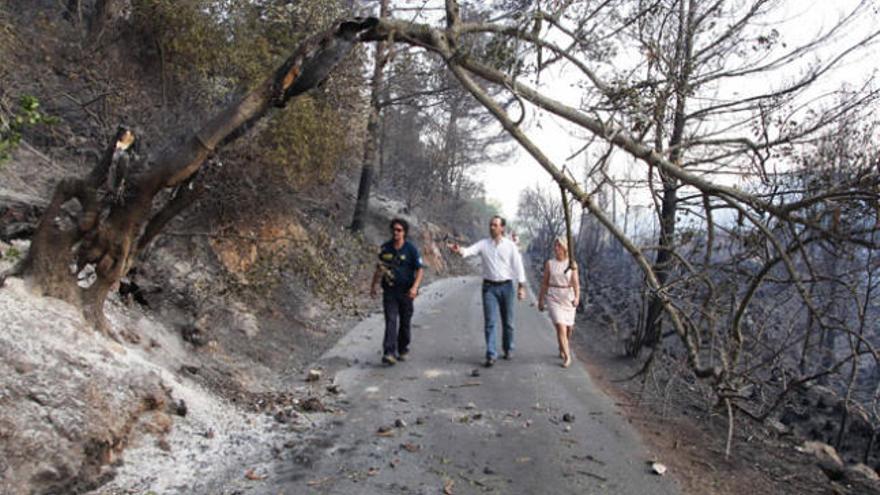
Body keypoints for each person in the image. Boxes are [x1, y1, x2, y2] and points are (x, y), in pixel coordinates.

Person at [449, 216, 526, 367]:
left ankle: (508, 348)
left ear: (502, 228)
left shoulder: (510, 246)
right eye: (491, 225)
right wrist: (459, 250)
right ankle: (491, 353)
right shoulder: (484, 244)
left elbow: (518, 266)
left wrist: (521, 286)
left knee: (508, 322)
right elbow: (469, 251)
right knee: (490, 322)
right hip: (489, 288)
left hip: (506, 286)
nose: (492, 227)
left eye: (495, 225)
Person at [370, 218, 424, 365]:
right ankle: (389, 352)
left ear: (404, 232)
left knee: (405, 323)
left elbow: (420, 270)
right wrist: (373, 286)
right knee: (391, 321)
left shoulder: (411, 249)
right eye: (394, 229)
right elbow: (379, 268)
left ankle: (403, 348)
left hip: (407, 292)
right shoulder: (385, 248)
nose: (396, 232)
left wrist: (415, 288)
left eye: (399, 230)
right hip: (390, 291)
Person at [537, 237, 580, 368]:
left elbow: (576, 284)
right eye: (555, 246)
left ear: (565, 248)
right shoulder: (550, 263)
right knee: (560, 326)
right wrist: (541, 300)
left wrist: (577, 297)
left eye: (559, 246)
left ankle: (562, 346)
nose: (557, 249)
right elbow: (544, 283)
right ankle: (567, 357)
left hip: (568, 297)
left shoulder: (572, 264)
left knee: (568, 329)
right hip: (554, 297)